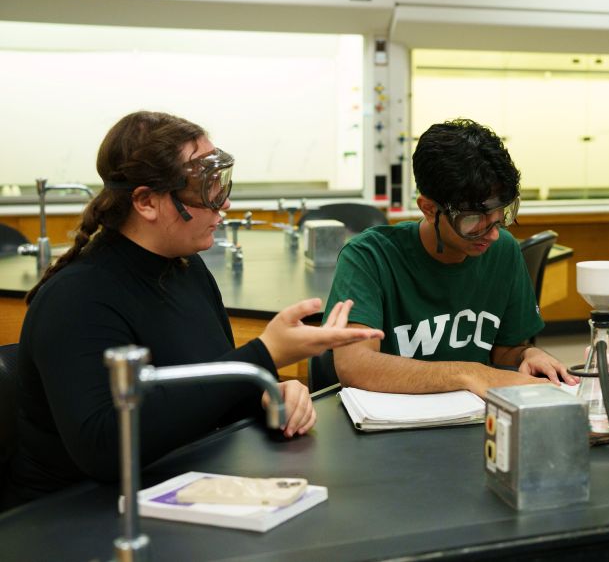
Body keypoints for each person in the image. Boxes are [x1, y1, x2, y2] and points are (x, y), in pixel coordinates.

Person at [2, 111, 382, 506]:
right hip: (72, 515)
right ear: (147, 201)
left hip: (176, 483)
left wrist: (269, 393)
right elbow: (105, 449)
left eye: (220, 183)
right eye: (205, 187)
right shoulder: (76, 299)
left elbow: (210, 392)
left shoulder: (186, 268)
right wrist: (264, 355)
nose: (225, 202)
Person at [324, 119, 576, 397]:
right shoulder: (369, 257)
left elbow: (505, 349)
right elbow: (354, 366)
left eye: (501, 214)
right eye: (474, 219)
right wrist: (469, 373)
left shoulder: (503, 250)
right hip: (389, 428)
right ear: (429, 209)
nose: (492, 234)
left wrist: (526, 356)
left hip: (471, 423)